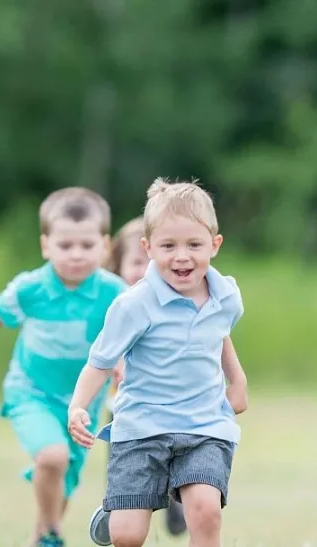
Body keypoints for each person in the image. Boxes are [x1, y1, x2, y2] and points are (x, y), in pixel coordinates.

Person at [68, 179, 249, 547]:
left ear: (214, 245)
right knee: (128, 536)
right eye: (168, 246)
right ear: (148, 248)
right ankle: (118, 508)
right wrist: (78, 406)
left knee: (205, 510)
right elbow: (100, 362)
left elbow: (219, 334)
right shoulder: (134, 305)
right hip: (142, 427)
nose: (182, 257)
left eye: (194, 245)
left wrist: (238, 380)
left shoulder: (225, 295)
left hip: (204, 425)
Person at [0, 187, 127, 547]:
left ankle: (40, 538)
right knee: (52, 456)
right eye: (65, 246)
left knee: (65, 473)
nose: (76, 255)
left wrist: (125, 363)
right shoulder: (32, 288)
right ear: (46, 245)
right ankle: (53, 532)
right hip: (31, 392)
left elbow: (129, 332)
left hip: (82, 403)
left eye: (87, 245)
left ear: (105, 245)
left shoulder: (115, 292)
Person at [102, 216, 188, 537]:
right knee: (122, 462)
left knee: (174, 454)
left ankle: (176, 501)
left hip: (172, 404)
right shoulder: (115, 304)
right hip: (124, 408)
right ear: (119, 265)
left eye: (152, 262)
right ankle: (118, 505)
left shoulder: (176, 302)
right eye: (137, 262)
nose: (146, 270)